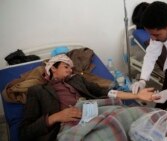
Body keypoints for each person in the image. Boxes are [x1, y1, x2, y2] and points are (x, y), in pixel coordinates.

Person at [19, 54, 155, 141]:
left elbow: (106, 92)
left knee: (140, 117)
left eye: (71, 68)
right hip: (70, 126)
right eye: (66, 66)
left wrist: (136, 95)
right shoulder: (37, 91)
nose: (70, 70)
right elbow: (25, 132)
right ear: (53, 68)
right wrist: (56, 117)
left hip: (95, 111)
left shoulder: (77, 80)